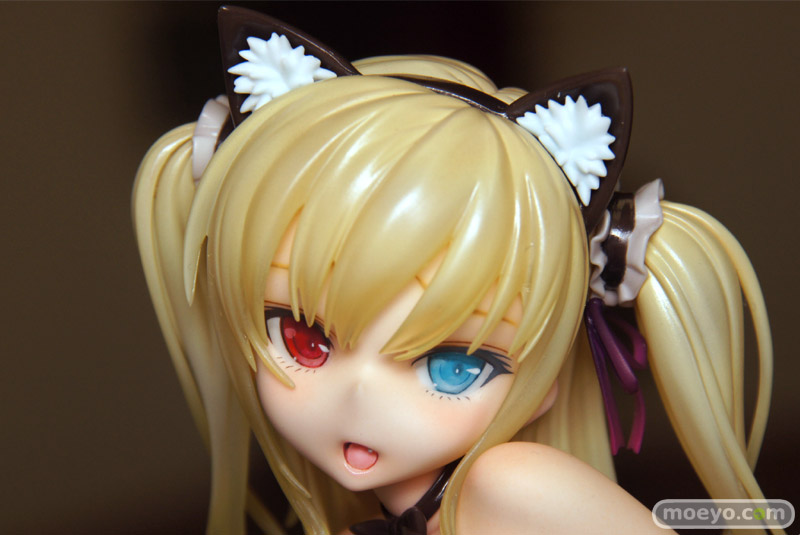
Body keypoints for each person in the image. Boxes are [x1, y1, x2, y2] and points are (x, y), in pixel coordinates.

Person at [133, 6, 776, 534]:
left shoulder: (511, 488)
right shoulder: (394, 512)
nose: (360, 402)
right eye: (306, 341)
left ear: (545, 377)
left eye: (454, 366)